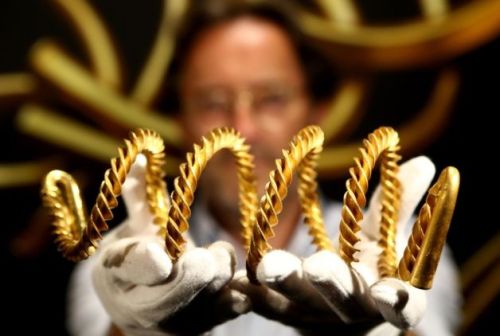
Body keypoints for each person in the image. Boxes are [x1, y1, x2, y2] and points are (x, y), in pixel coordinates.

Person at [67, 1, 461, 335]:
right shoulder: (121, 263)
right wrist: (134, 327)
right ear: (182, 119)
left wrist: (386, 329)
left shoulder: (401, 251)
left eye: (271, 98)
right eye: (212, 102)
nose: (243, 130)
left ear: (317, 114)